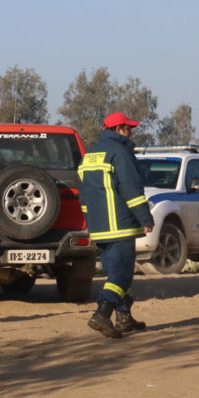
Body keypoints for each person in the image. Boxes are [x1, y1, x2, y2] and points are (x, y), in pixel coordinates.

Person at [77, 112, 154, 338]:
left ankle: (124, 318)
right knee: (121, 275)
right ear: (119, 129)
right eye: (129, 129)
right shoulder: (120, 153)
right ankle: (102, 313)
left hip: (99, 227)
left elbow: (84, 196)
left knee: (115, 273)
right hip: (120, 225)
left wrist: (89, 225)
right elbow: (132, 190)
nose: (131, 133)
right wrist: (145, 219)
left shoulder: (89, 155)